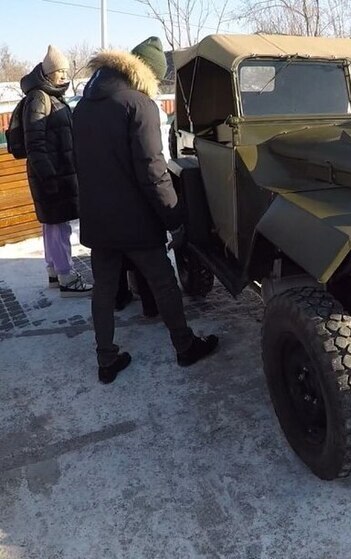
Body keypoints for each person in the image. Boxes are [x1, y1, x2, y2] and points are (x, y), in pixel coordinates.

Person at [72, 37, 218, 383]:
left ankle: (106, 360)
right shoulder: (139, 105)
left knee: (104, 289)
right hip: (135, 220)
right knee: (164, 283)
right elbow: (153, 169)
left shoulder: (83, 106)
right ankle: (185, 347)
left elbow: (80, 163)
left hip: (97, 217)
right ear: (149, 73)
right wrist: (174, 214)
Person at [19, 46, 92, 296]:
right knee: (59, 226)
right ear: (48, 73)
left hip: (55, 173)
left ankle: (54, 271)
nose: (63, 76)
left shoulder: (50, 96)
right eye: (59, 72)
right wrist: (48, 176)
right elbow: (35, 143)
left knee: (53, 224)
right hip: (51, 175)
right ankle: (66, 276)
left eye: (65, 71)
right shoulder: (40, 97)